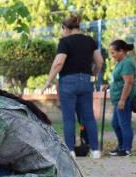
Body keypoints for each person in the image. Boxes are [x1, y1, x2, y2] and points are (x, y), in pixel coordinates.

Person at [43, 15, 104, 159]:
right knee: (88, 117)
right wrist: (93, 75)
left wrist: (48, 81)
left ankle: (70, 151)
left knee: (68, 118)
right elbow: (99, 62)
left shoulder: (65, 42)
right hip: (86, 81)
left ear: (66, 28)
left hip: (68, 82)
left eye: (62, 29)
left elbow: (58, 63)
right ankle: (95, 151)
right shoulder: (90, 41)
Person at [108, 40, 136, 156]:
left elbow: (128, 82)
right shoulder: (120, 63)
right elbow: (118, 80)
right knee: (115, 124)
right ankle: (121, 146)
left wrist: (123, 100)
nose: (112, 55)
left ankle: (126, 148)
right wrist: (109, 86)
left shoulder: (127, 63)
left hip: (124, 99)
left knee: (124, 124)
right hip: (118, 100)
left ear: (121, 51)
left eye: (113, 52)